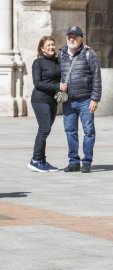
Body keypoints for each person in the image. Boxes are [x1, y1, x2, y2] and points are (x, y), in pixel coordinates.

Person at [60, 26, 102, 173]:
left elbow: (97, 77)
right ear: (66, 38)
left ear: (81, 38)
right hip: (68, 101)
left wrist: (95, 98)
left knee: (89, 131)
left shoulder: (89, 54)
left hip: (85, 99)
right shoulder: (61, 55)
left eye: (75, 37)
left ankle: (87, 162)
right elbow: (54, 73)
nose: (72, 39)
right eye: (69, 36)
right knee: (70, 131)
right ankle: (73, 161)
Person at [28, 36, 67, 172]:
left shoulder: (57, 61)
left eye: (52, 44)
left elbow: (69, 55)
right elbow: (37, 83)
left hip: (52, 101)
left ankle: (41, 160)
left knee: (46, 130)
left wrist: (84, 50)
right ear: (42, 48)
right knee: (44, 129)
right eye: (48, 45)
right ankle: (35, 160)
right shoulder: (37, 63)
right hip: (40, 100)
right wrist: (57, 86)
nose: (51, 47)